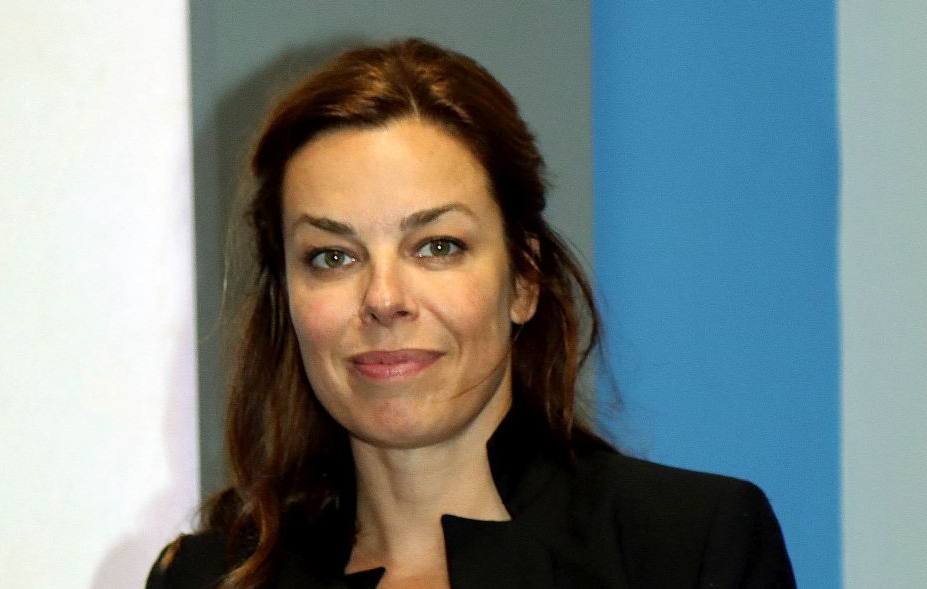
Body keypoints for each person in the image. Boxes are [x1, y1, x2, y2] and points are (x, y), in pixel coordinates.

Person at [147, 38, 795, 589]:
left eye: (437, 246)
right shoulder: (206, 578)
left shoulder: (687, 548)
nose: (384, 298)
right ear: (285, 299)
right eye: (333, 257)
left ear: (524, 279)